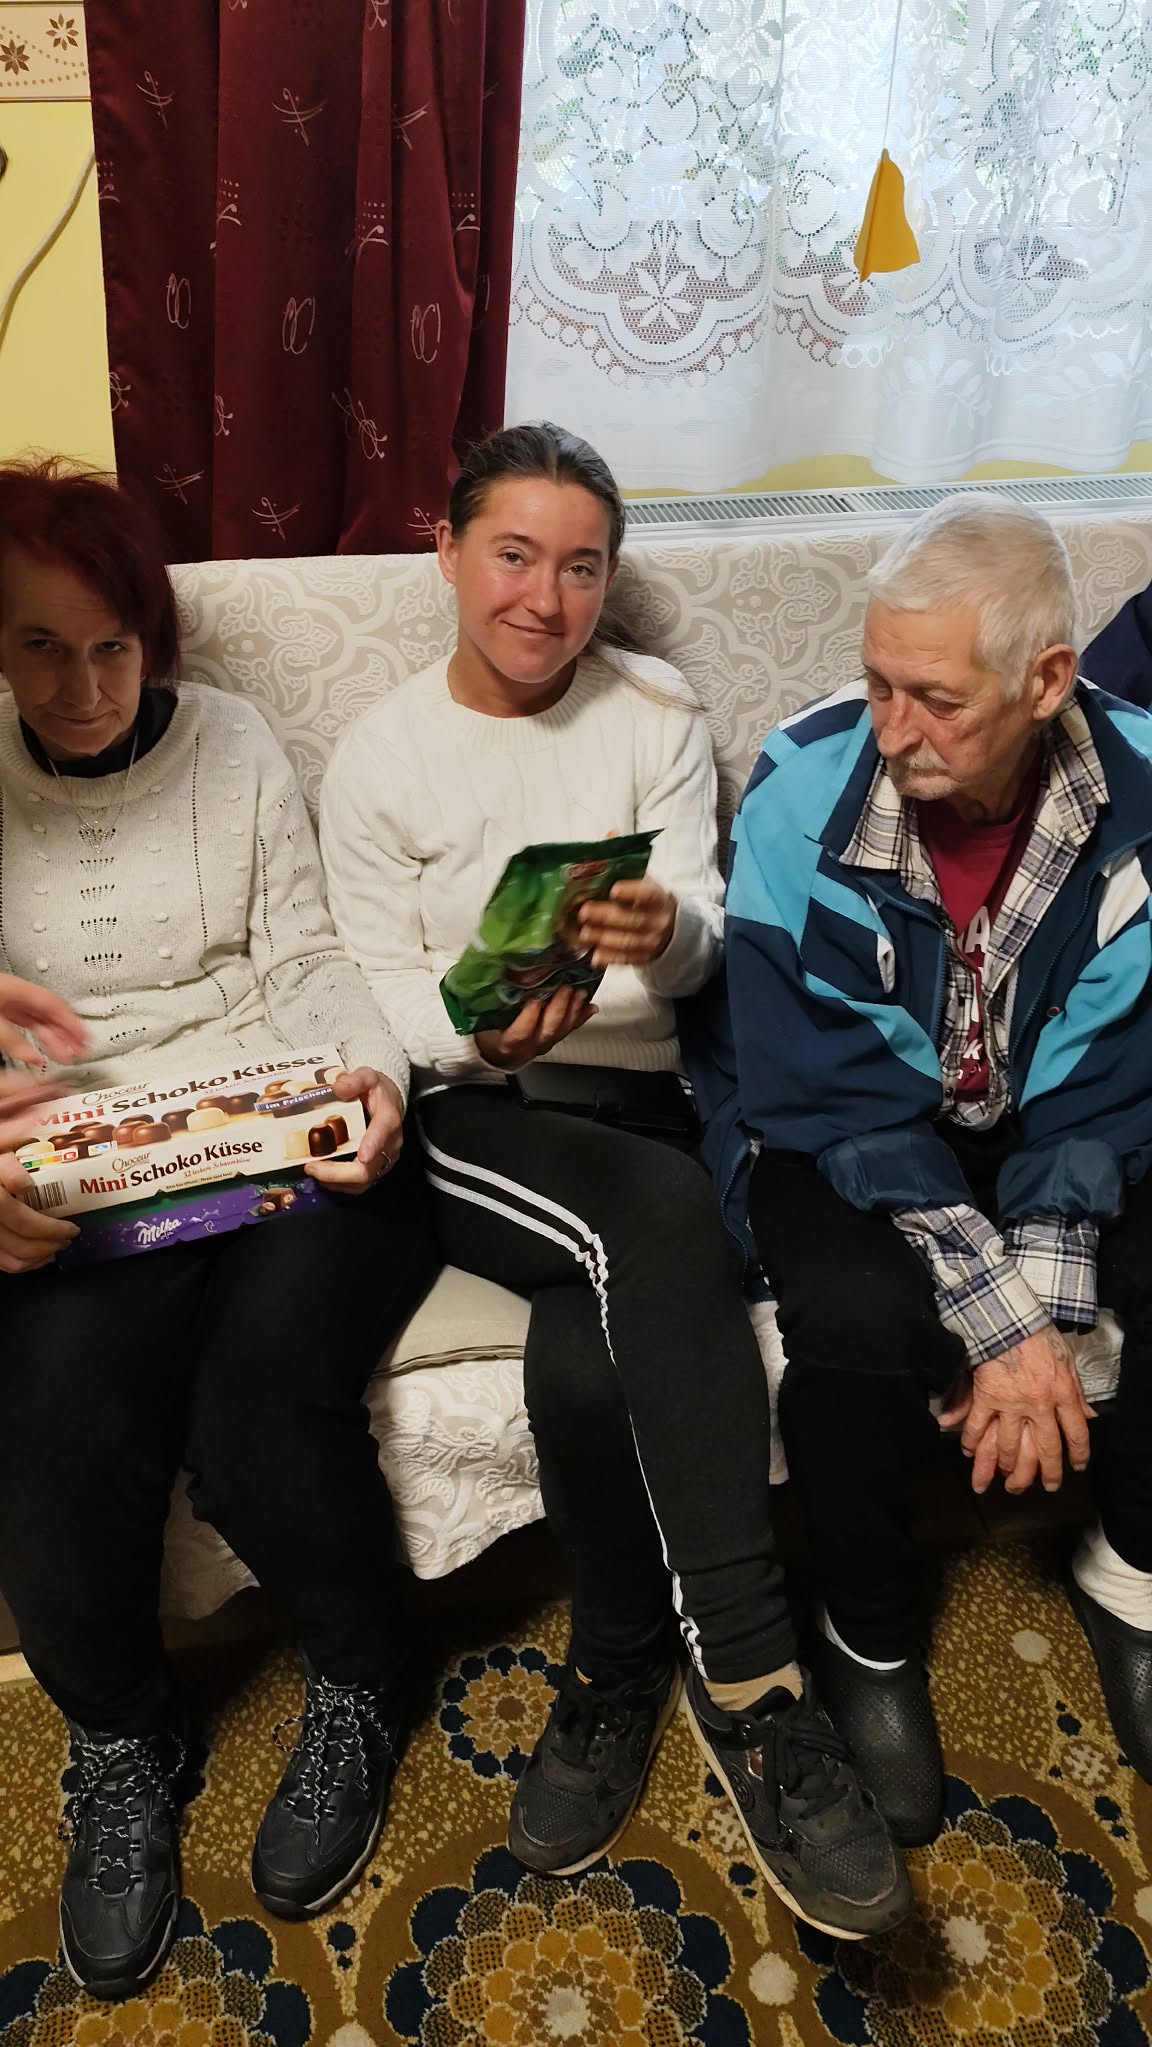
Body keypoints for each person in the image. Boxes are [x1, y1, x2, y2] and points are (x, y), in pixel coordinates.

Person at [320, 421, 909, 1941]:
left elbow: (702, 945)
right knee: (654, 1219)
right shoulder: (383, 753)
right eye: (514, 556)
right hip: (472, 1114)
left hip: (640, 1101)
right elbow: (370, 990)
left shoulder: (654, 710)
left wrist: (674, 937)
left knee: (593, 1360)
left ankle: (616, 1664)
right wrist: (471, 1032)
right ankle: (758, 1680)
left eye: (583, 567)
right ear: (448, 554)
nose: (546, 598)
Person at [0, 461, 439, 1998]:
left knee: (260, 1416)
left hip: (276, 1114)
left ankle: (365, 1678)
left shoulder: (236, 742)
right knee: (53, 1420)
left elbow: (309, 952)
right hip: (83, 1152)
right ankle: (125, 1742)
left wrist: (376, 1083)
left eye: (112, 647)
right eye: (40, 647)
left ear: (155, 640)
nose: (82, 688)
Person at [684, 495, 1152, 1847]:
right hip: (834, 1124)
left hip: (1056, 1112)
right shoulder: (800, 785)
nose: (894, 728)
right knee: (855, 1322)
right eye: (878, 680)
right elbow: (821, 1088)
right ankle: (872, 1631)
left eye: (936, 699)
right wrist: (1005, 1329)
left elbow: (1111, 1073)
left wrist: (1039, 1312)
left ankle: (1129, 1571)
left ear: (1047, 682)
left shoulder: (1140, 792)